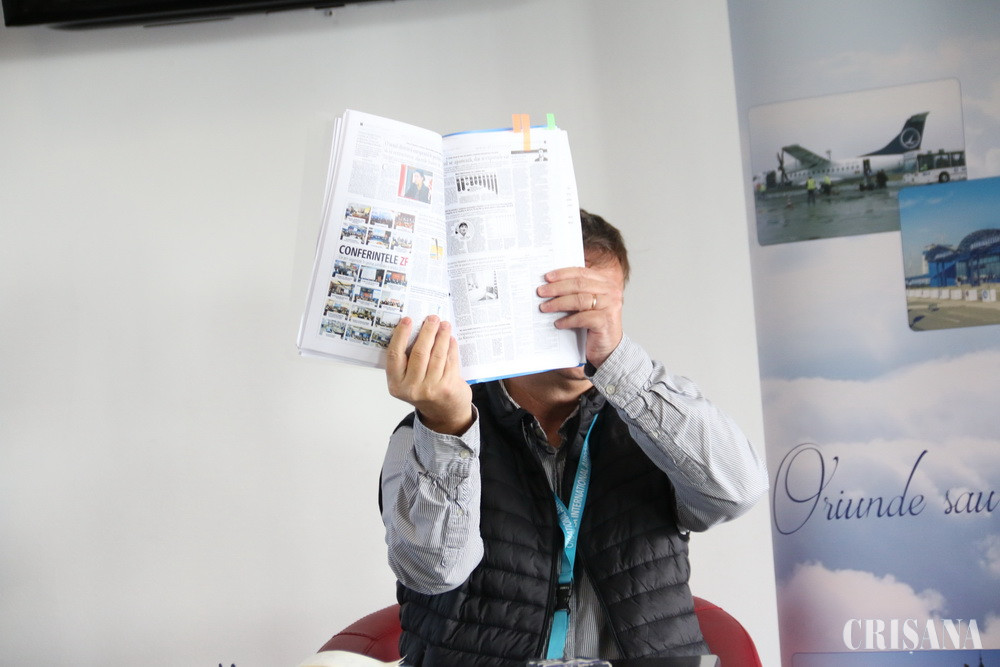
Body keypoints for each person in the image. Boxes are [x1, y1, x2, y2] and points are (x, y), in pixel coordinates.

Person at [380, 210, 768, 667]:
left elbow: (738, 493)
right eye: (568, 302)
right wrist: (448, 427)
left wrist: (619, 362)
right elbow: (433, 571)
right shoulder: (429, 430)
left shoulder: (657, 418)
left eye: (600, 305)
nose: (586, 322)